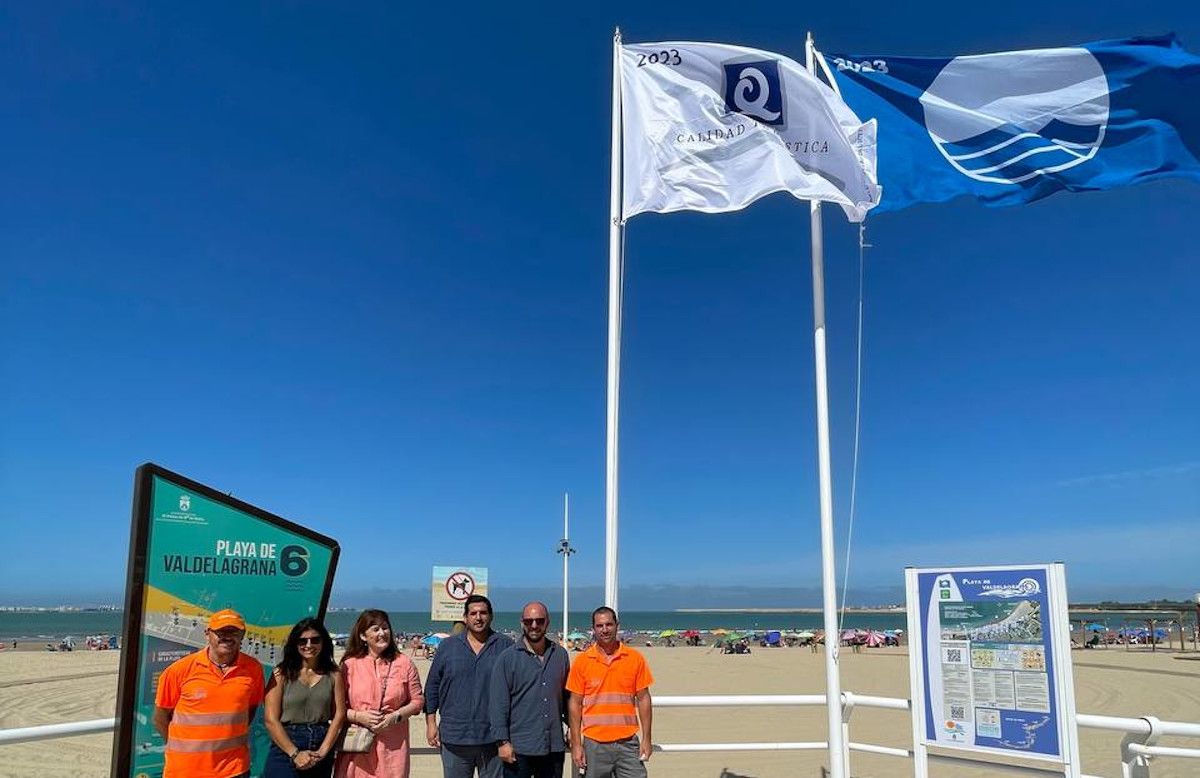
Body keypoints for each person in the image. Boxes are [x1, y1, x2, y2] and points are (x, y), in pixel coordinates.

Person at [153, 608, 265, 778]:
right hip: (186, 771)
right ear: (207, 634)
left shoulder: (253, 669)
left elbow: (250, 710)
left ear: (242, 635)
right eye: (221, 631)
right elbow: (160, 718)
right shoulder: (179, 671)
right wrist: (184, 748)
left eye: (234, 631)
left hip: (234, 770)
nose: (227, 637)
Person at [425, 594, 514, 778]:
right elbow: (432, 685)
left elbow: (516, 688)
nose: (478, 617)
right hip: (454, 737)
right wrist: (431, 723)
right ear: (465, 618)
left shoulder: (506, 646)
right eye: (473, 613)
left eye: (483, 613)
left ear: (491, 616)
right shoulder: (448, 646)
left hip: (493, 738)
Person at [566, 607, 653, 778]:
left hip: (628, 742)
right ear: (593, 629)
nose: (604, 630)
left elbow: (644, 699)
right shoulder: (582, 662)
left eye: (609, 624)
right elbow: (574, 704)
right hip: (594, 744)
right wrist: (577, 744)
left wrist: (647, 738)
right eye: (599, 626)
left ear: (617, 626)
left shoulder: (634, 658)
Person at [336, 609, 425, 778]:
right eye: (375, 629)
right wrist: (358, 716)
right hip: (357, 744)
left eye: (385, 628)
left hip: (393, 745)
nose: (382, 633)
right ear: (363, 636)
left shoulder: (404, 663)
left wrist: (395, 716)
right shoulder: (349, 665)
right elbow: (335, 706)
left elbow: (418, 701)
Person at [489, 602, 570, 778]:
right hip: (519, 748)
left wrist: (572, 727)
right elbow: (498, 704)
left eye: (539, 621)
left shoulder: (560, 655)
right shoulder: (507, 658)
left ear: (547, 622)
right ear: (522, 623)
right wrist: (502, 742)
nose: (534, 625)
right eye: (529, 621)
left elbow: (566, 698)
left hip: (553, 747)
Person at [263, 618, 347, 777]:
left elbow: (339, 715)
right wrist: (294, 754)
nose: (309, 645)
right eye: (303, 641)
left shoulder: (334, 674)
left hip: (321, 743)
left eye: (315, 640)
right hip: (286, 744)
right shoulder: (281, 674)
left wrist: (323, 752)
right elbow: (270, 719)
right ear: (295, 644)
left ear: (323, 642)